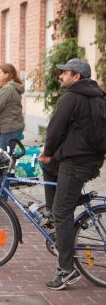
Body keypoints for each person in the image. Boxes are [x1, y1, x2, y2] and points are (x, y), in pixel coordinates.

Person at [38, 58, 105, 290]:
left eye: (65, 73)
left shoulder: (72, 97)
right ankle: (53, 212)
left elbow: (56, 128)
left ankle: (66, 270)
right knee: (48, 167)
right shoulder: (97, 96)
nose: (61, 76)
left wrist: (47, 151)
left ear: (76, 77)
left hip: (76, 161)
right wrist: (50, 157)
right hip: (91, 158)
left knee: (63, 212)